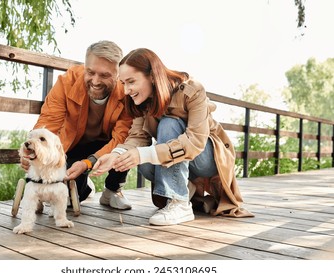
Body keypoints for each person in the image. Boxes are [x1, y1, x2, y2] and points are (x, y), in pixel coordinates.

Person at [92, 48, 253, 226]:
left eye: (131, 82)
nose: (126, 90)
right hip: (179, 158)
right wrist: (116, 156)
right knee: (142, 159)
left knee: (168, 124)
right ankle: (184, 186)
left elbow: (195, 142)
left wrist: (144, 154)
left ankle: (179, 203)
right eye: (123, 83)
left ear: (152, 76)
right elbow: (137, 137)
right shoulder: (141, 102)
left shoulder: (192, 90)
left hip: (206, 158)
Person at [21, 40, 133, 210]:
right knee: (69, 201)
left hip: (108, 143)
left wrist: (88, 164)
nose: (95, 81)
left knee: (126, 146)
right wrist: (36, 152)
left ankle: (113, 190)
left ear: (118, 74)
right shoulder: (67, 82)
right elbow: (48, 123)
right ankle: (85, 187)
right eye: (90, 72)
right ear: (85, 66)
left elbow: (122, 136)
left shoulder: (126, 91)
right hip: (75, 143)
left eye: (104, 75)